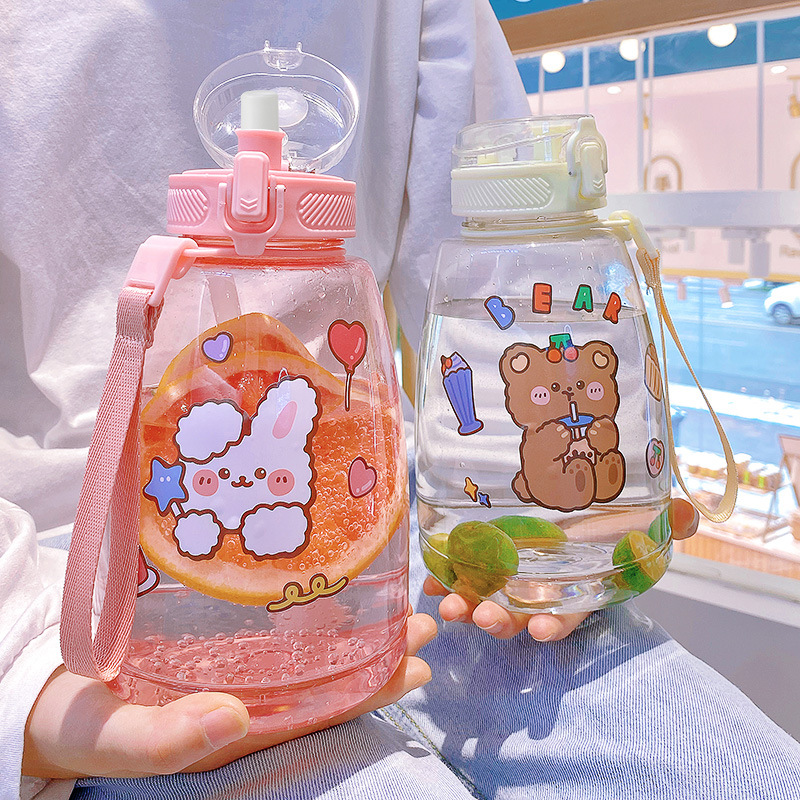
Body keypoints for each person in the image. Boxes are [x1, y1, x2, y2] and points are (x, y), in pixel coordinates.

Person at [2, 2, 800, 799]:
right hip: (80, 592)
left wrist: (554, 512)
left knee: (748, 776)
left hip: (402, 565)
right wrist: (20, 681)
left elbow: (496, 296)